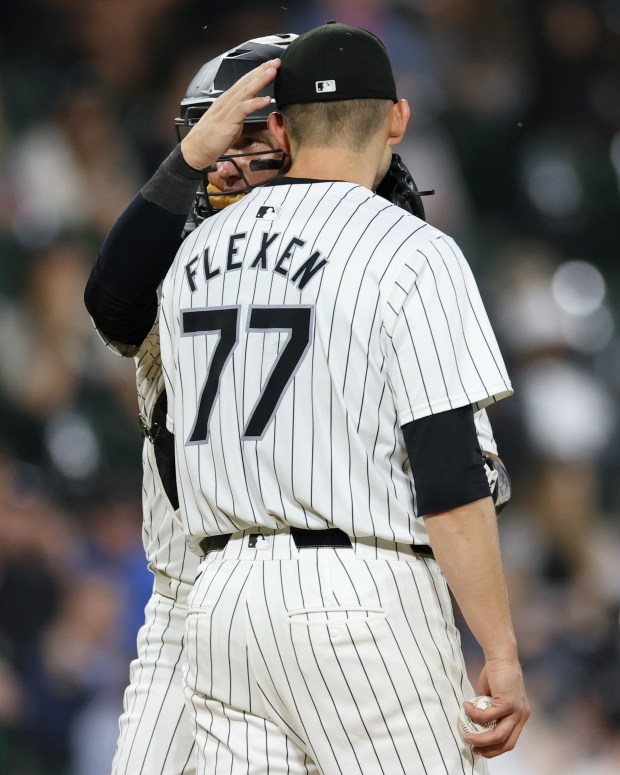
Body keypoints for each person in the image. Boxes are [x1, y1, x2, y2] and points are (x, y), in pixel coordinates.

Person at [159, 22, 529, 775]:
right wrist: (499, 645)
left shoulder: (196, 251)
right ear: (397, 117)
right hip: (356, 592)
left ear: (283, 128)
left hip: (221, 599)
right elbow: (449, 473)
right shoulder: (411, 249)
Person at [84, 34, 298, 774]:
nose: (229, 160)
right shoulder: (173, 250)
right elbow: (110, 299)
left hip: (335, 585)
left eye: (250, 134)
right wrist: (187, 162)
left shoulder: (362, 246)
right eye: (213, 137)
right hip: (191, 595)